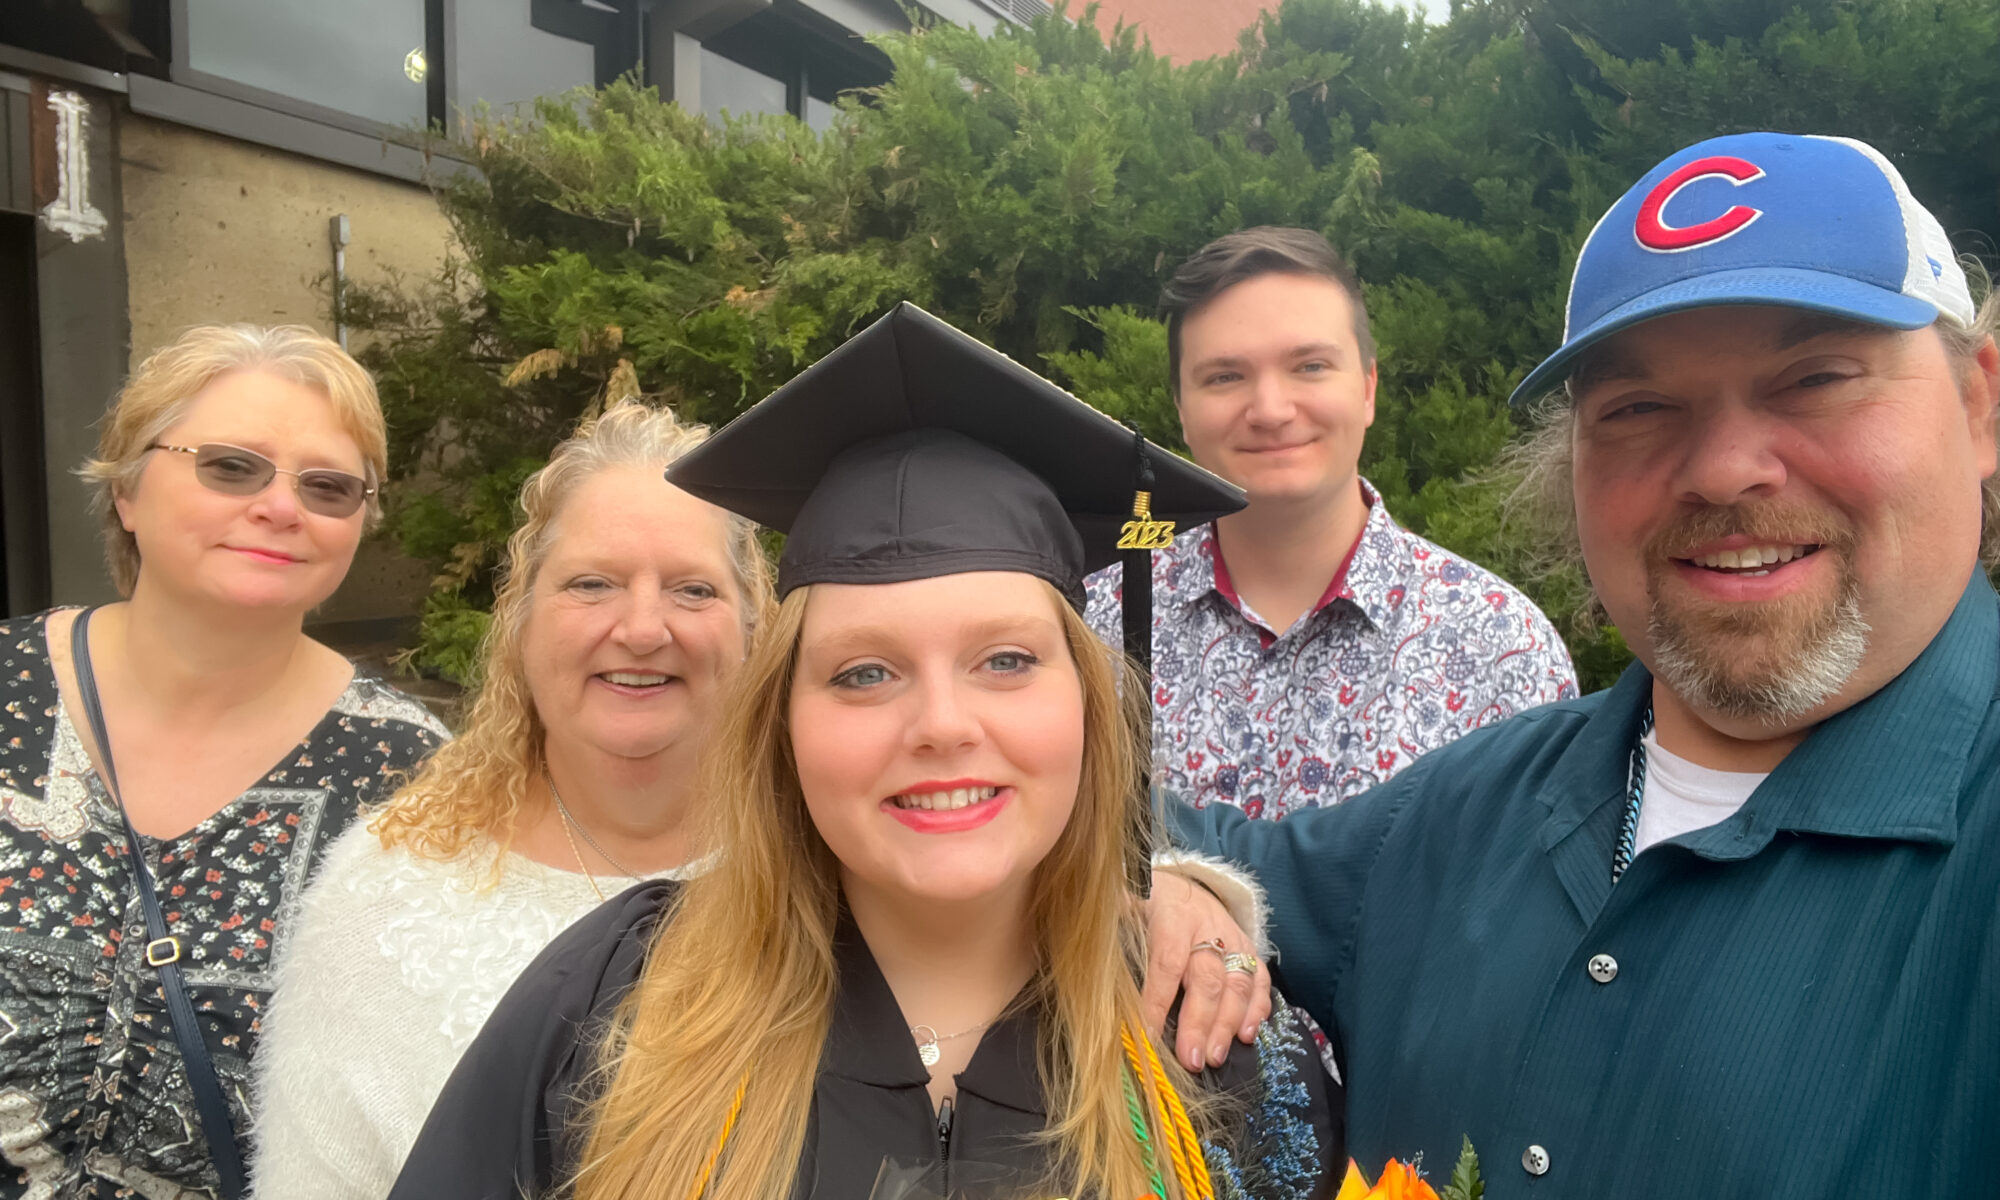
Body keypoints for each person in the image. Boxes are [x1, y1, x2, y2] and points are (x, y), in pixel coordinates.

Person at [1146, 132, 2000, 1195]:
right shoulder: (1467, 811)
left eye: (1813, 377)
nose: (1725, 470)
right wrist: (1172, 881)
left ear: (1976, 404)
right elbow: (1185, 842)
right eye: (1638, 409)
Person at [387, 303, 1338, 1200]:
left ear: (1091, 709)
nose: (942, 723)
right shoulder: (615, 1006)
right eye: (863, 674)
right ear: (781, 724)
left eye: (1006, 659)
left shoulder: (1220, 1050)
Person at [248, 399, 774, 1199]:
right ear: (522, 622)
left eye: (693, 590)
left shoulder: (827, 873)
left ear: (753, 627)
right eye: (591, 583)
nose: (641, 627)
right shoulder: (383, 895)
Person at [0, 325, 448, 1200]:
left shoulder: (417, 780)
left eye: (328, 487)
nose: (282, 506)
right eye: (231, 466)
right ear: (127, 487)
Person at [1084, 228, 1575, 818]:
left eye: (1310, 366)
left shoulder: (1503, 649)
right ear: (1181, 410)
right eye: (1224, 377)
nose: (1270, 410)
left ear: (1368, 388)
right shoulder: (1088, 626)